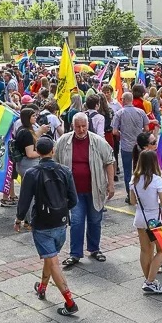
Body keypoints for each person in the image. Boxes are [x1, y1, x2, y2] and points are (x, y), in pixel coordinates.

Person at [14, 137, 80, 317]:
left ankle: (70, 301)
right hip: (61, 222)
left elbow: (24, 200)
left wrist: (19, 218)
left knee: (53, 261)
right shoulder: (65, 171)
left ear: (37, 151)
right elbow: (73, 199)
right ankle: (42, 287)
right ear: (53, 150)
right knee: (50, 258)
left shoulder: (31, 173)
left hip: (42, 224)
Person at [53, 112, 116, 268]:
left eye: (83, 126)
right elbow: (55, 163)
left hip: (95, 188)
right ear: (72, 126)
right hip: (73, 192)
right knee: (77, 221)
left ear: (88, 125)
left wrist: (111, 184)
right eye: (77, 126)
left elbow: (109, 161)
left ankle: (94, 249)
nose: (81, 130)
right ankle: (75, 254)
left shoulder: (98, 141)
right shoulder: (63, 141)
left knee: (95, 220)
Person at [129, 150, 162, 294]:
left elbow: (133, 201)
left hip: (140, 217)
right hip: (155, 219)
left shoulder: (134, 179)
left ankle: (149, 280)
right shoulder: (157, 180)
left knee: (145, 250)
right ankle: (150, 281)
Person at [112, 92, 150, 199]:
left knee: (127, 171)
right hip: (139, 146)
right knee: (141, 169)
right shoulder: (141, 112)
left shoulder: (119, 113)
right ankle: (142, 192)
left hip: (126, 146)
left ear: (124, 100)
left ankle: (130, 195)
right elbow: (147, 128)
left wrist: (122, 134)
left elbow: (114, 131)